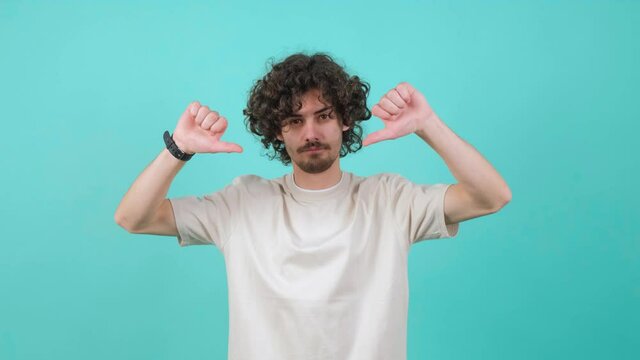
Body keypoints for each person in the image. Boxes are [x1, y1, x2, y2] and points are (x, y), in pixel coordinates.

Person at [114, 52, 511, 360]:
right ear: (277, 129)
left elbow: (491, 196)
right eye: (294, 120)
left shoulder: (390, 200)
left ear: (344, 121)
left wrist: (428, 125)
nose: (311, 133)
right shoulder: (242, 203)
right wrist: (178, 149)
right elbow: (133, 217)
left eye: (323, 116)